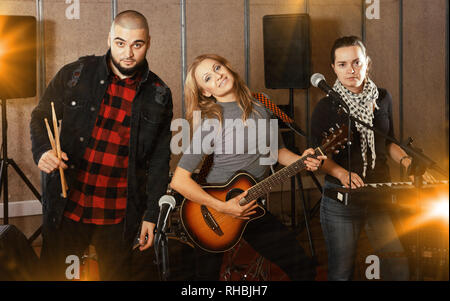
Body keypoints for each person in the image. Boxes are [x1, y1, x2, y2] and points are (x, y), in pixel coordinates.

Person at [29, 10, 173, 280]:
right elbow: (41, 116)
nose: (127, 52)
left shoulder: (159, 95)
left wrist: (151, 215)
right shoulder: (75, 74)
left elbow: (159, 160)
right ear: (109, 38)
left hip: (119, 211)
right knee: (54, 275)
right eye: (120, 43)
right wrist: (43, 151)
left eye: (137, 44)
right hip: (68, 203)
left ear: (148, 43)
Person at [170, 54, 326, 281]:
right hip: (212, 212)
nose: (217, 75)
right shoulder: (211, 119)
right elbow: (179, 180)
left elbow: (276, 152)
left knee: (303, 268)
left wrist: (302, 160)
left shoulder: (262, 104)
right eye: (208, 77)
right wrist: (223, 208)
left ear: (227, 67)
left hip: (250, 205)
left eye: (217, 67)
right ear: (206, 91)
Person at [311, 36, 435, 281]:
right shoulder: (325, 108)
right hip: (340, 200)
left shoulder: (383, 97)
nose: (351, 70)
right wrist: (340, 173)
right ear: (333, 68)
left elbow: (388, 141)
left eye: (356, 62)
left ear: (367, 62)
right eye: (343, 64)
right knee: (341, 273)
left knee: (398, 268)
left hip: (378, 195)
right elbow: (316, 157)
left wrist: (408, 163)